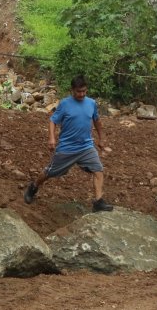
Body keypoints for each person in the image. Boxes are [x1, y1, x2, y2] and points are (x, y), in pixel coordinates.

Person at [24, 75, 113, 212]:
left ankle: (98, 201)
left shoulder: (91, 103)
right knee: (49, 172)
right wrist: (52, 138)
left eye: (84, 91)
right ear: (72, 90)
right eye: (78, 91)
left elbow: (97, 121)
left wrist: (101, 139)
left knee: (98, 169)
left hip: (86, 147)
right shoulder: (65, 104)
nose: (81, 94)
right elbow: (53, 120)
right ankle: (34, 187)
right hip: (67, 148)